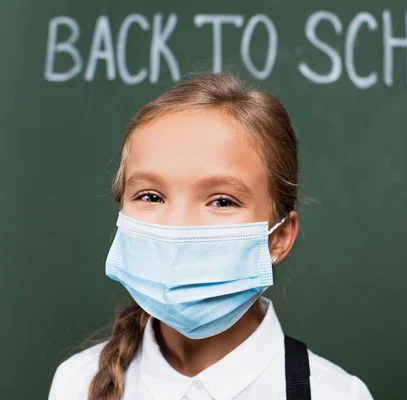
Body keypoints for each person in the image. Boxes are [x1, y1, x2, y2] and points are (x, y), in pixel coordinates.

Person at [48, 73, 373, 400]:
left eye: (221, 201)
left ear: (279, 237)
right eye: (150, 196)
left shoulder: (338, 394)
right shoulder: (76, 385)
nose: (179, 228)